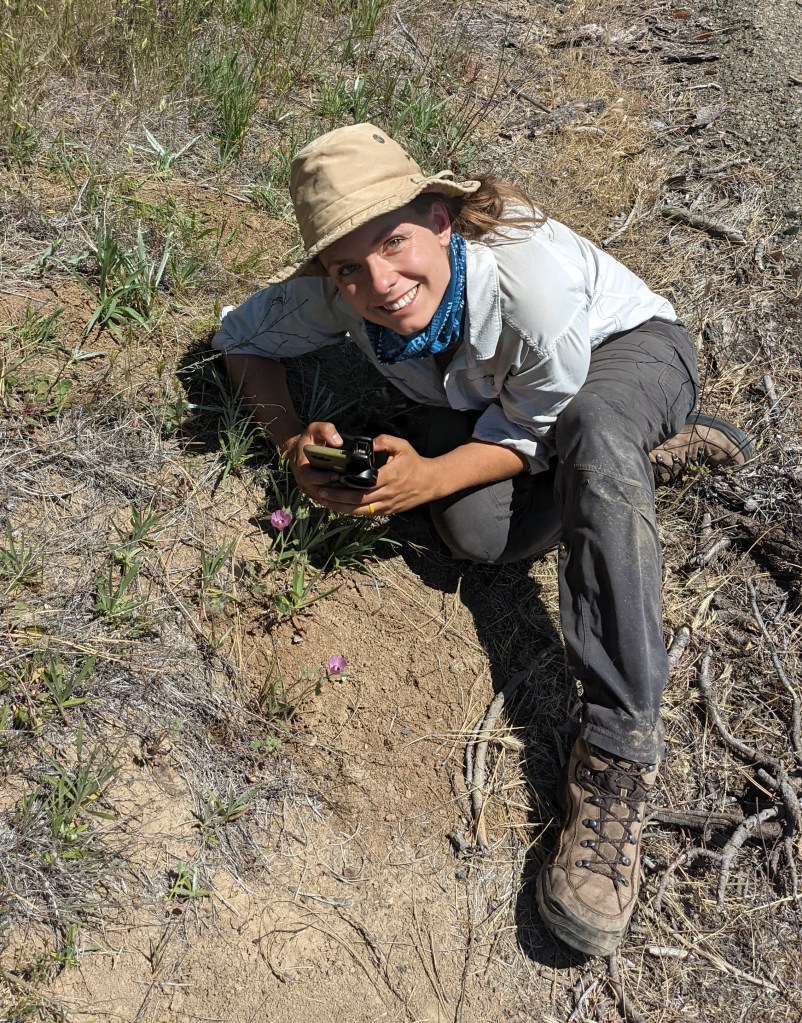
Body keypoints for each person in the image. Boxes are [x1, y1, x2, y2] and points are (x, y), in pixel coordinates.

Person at [212, 123, 753, 956]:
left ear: (440, 218)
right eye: (348, 267)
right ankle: (619, 482)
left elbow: (537, 422)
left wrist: (429, 474)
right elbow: (239, 338)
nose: (380, 283)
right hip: (514, 402)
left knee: (596, 428)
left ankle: (618, 753)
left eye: (393, 243)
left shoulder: (531, 288)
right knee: (475, 534)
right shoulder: (343, 291)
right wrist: (290, 442)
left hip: (626, 354)